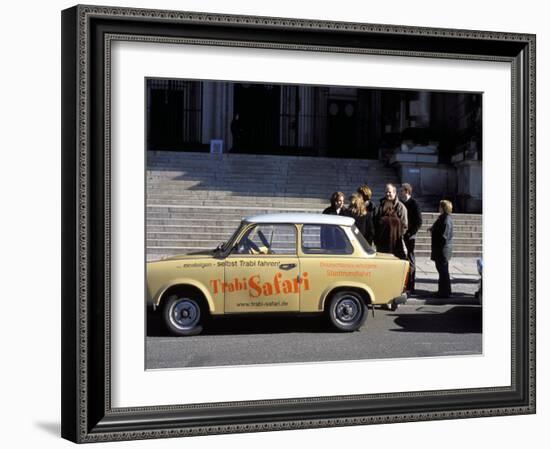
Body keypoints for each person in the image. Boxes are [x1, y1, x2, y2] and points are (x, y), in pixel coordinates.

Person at [400, 183, 423, 293]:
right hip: (401, 234)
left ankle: (411, 285)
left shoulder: (414, 204)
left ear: (407, 191)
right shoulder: (401, 203)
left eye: (402, 190)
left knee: (410, 260)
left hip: (410, 236)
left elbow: (419, 222)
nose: (400, 192)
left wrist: (410, 233)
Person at [375, 183, 408, 259]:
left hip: (395, 243)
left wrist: (396, 235)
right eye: (386, 192)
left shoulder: (401, 207)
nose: (387, 194)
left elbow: (404, 225)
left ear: (394, 192)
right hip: (382, 244)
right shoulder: (380, 206)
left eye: (389, 192)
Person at [429, 200, 454, 298]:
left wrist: (434, 233)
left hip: (442, 250)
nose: (438, 208)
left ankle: (444, 292)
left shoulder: (446, 219)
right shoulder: (443, 218)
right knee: (442, 271)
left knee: (443, 271)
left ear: (443, 208)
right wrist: (432, 229)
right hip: (441, 250)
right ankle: (443, 291)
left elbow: (443, 236)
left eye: (440, 206)